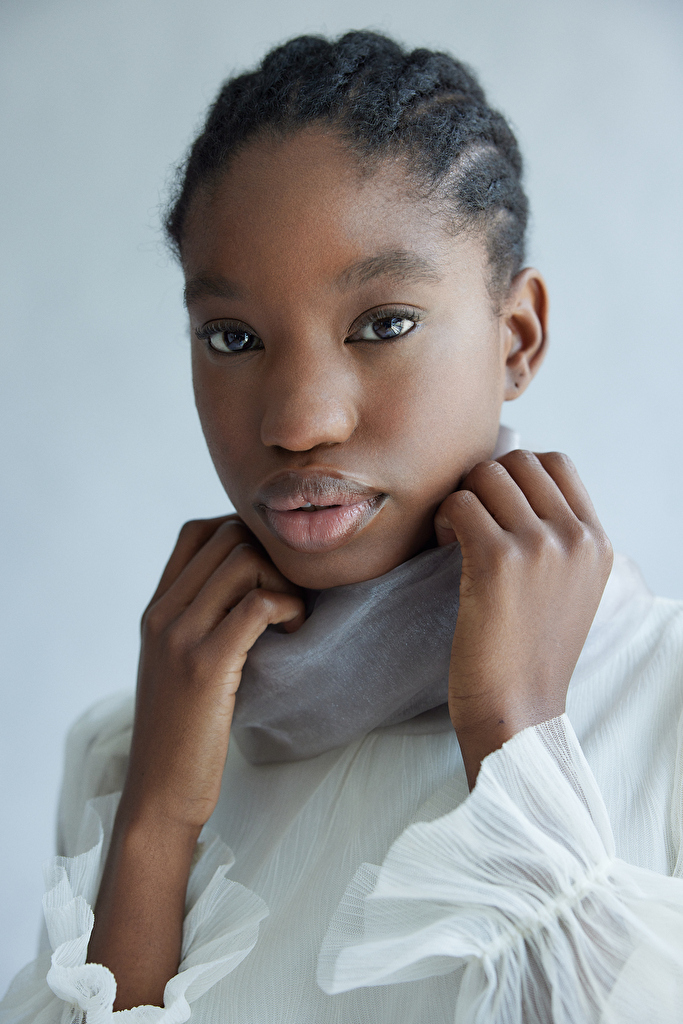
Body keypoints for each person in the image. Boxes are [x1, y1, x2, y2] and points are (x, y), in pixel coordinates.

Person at [2, 29, 683, 1024]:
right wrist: (154, 823)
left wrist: (512, 735)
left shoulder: (662, 700)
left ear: (517, 338)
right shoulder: (124, 751)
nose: (297, 422)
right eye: (232, 337)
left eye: (382, 324)